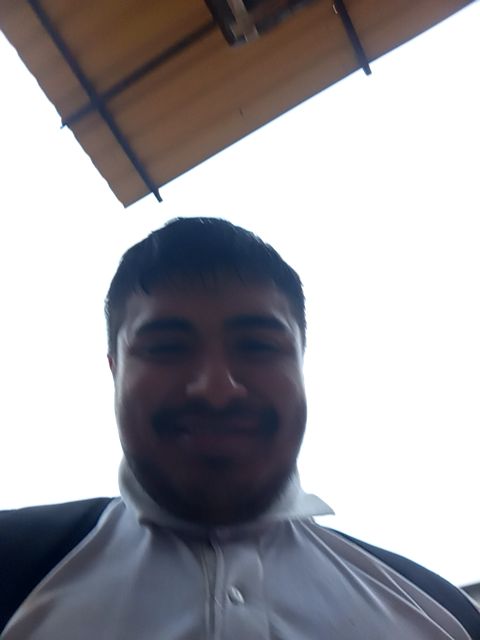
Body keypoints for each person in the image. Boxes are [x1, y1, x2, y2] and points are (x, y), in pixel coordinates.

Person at [1, 217, 479, 639]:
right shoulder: (12, 566)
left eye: (257, 346)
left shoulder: (443, 614)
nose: (216, 389)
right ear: (115, 370)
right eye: (167, 348)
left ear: (301, 362)